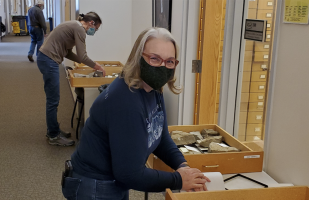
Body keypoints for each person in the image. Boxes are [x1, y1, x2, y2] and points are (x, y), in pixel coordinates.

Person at [61, 27, 210, 199]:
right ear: (138, 57)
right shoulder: (126, 101)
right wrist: (178, 180)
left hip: (115, 181)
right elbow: (130, 174)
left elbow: (160, 137)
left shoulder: (154, 89)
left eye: (170, 61)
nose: (163, 67)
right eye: (154, 59)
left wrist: (182, 165)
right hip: (94, 185)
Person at [37, 12, 106, 146]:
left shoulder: (74, 25)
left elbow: (68, 52)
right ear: (91, 23)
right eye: (96, 29)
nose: (94, 31)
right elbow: (83, 55)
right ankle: (53, 136)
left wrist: (84, 62)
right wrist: (97, 66)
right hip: (48, 59)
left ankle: (54, 129)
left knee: (53, 99)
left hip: (45, 58)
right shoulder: (80, 29)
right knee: (53, 100)